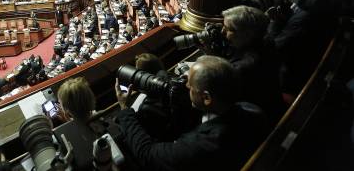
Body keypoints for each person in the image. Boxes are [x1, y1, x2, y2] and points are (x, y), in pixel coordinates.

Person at [115, 55, 269, 171]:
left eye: (190, 86)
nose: (185, 86)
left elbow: (147, 154)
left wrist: (124, 109)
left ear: (207, 98)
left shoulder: (201, 145)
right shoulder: (252, 109)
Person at [221, 5, 284, 123]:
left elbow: (223, 96)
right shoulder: (266, 41)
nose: (222, 31)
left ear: (246, 34)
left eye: (228, 28)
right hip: (273, 103)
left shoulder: (243, 67)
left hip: (255, 120)